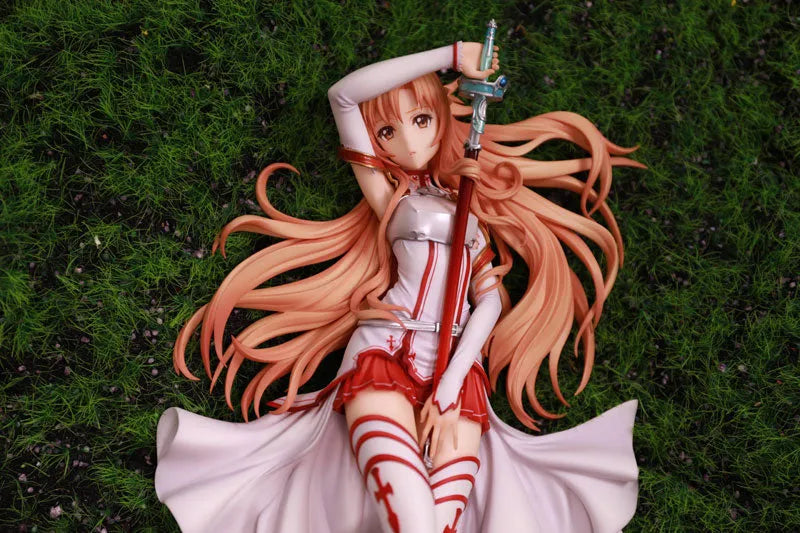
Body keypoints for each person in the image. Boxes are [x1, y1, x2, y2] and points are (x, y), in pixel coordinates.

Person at [155, 39, 646, 533]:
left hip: (459, 375)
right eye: (388, 131)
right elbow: (343, 96)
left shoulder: (471, 213)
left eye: (422, 120)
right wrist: (451, 55)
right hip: (385, 354)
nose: (409, 142)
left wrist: (448, 389)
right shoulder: (389, 196)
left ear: (441, 121)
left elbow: (489, 302)